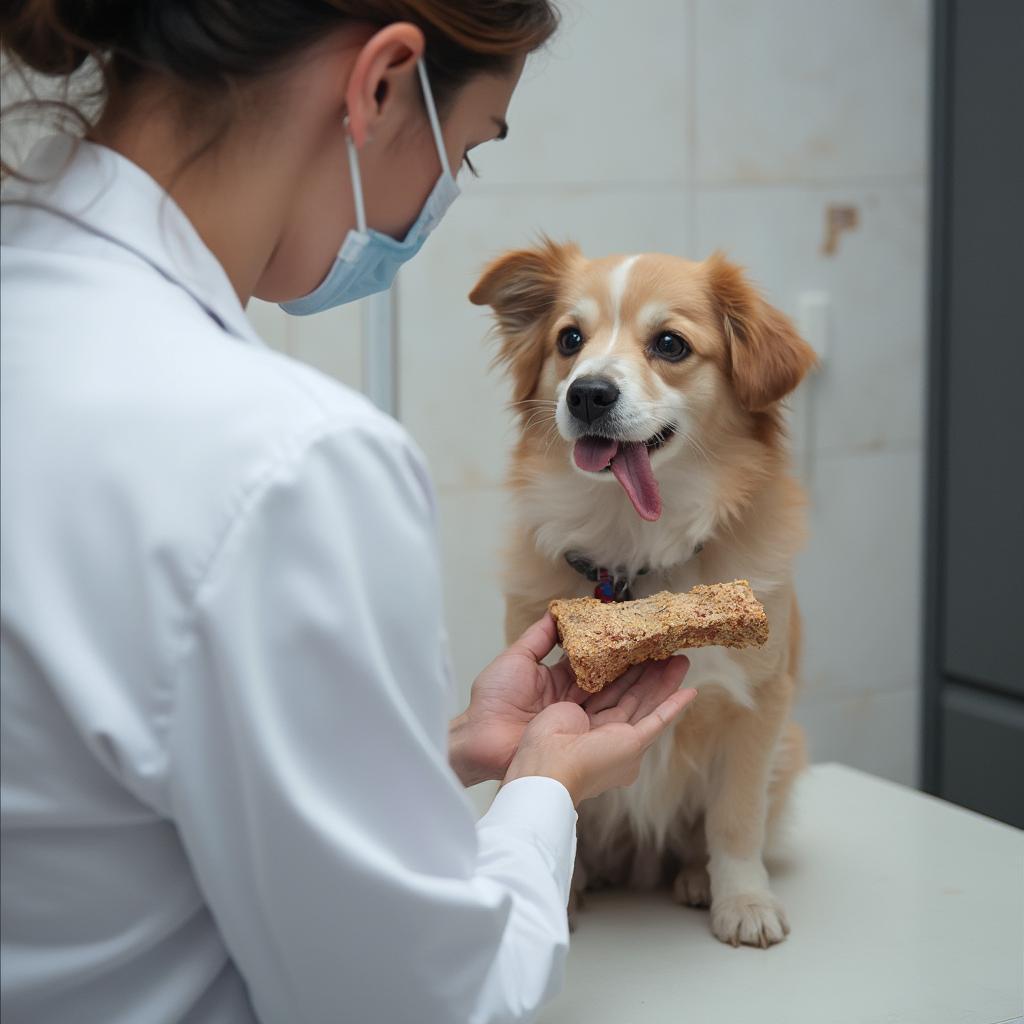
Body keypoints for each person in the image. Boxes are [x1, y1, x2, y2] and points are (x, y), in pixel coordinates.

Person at [0, 3, 696, 1022]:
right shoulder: (288, 459)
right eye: (466, 151)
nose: (439, 196)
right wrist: (544, 788)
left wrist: (445, 752)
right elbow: (424, 1000)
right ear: (380, 84)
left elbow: (102, 791)